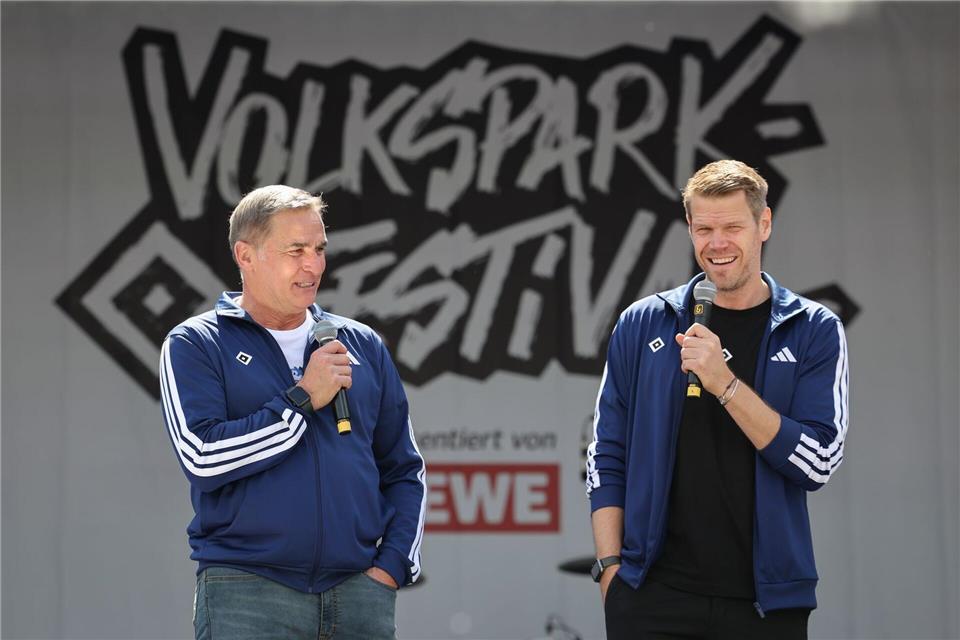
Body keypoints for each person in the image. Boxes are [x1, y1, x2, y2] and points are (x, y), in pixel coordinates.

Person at [586, 160, 849, 639]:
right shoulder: (644, 322)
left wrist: (725, 384)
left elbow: (818, 462)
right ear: (690, 229)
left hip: (765, 604)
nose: (718, 243)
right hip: (652, 597)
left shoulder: (813, 329)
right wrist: (610, 570)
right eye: (704, 228)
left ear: (763, 224)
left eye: (732, 227)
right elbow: (606, 455)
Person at [159, 185, 426, 640]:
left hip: (358, 593)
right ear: (246, 255)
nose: (314, 265)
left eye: (319, 249)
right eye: (296, 250)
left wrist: (392, 567)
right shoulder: (195, 343)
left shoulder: (360, 344)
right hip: (247, 592)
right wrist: (301, 399)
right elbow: (203, 458)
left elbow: (403, 469)